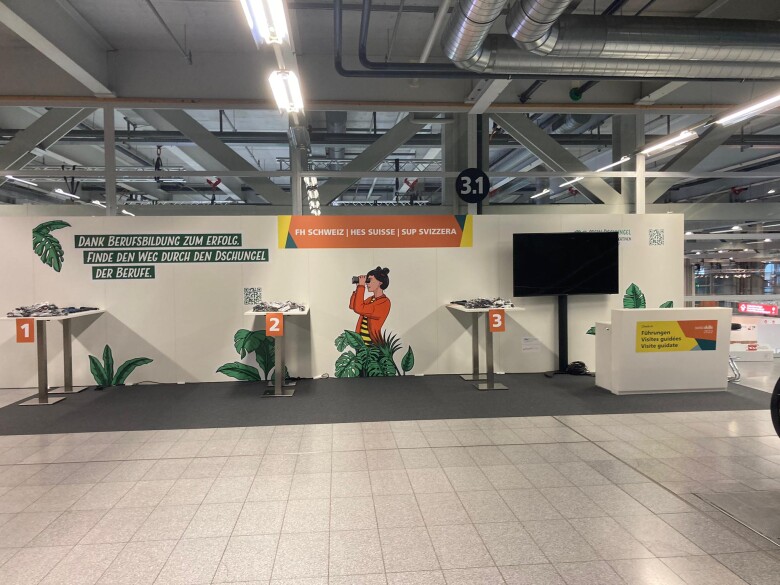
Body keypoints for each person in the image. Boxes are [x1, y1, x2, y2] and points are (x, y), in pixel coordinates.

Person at [349, 266, 391, 345]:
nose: (367, 283)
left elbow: (359, 308)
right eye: (367, 280)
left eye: (370, 280)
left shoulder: (384, 302)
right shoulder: (370, 299)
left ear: (380, 282)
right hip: (361, 344)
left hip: (372, 345)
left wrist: (361, 286)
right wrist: (358, 287)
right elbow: (352, 306)